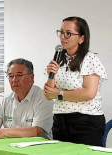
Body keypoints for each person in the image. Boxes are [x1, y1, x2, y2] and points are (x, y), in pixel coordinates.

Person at [44, 16, 107, 146]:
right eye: (61, 32)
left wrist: (59, 94)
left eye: (68, 33)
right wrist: (52, 75)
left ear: (81, 38)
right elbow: (49, 94)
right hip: (60, 119)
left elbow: (88, 93)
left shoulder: (90, 59)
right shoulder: (59, 59)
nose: (63, 37)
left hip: (85, 122)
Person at [0, 58, 54, 140]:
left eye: (19, 75)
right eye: (11, 76)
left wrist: (4, 132)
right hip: (10, 147)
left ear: (31, 77)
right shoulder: (6, 100)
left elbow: (37, 130)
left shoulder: (44, 98)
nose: (14, 80)